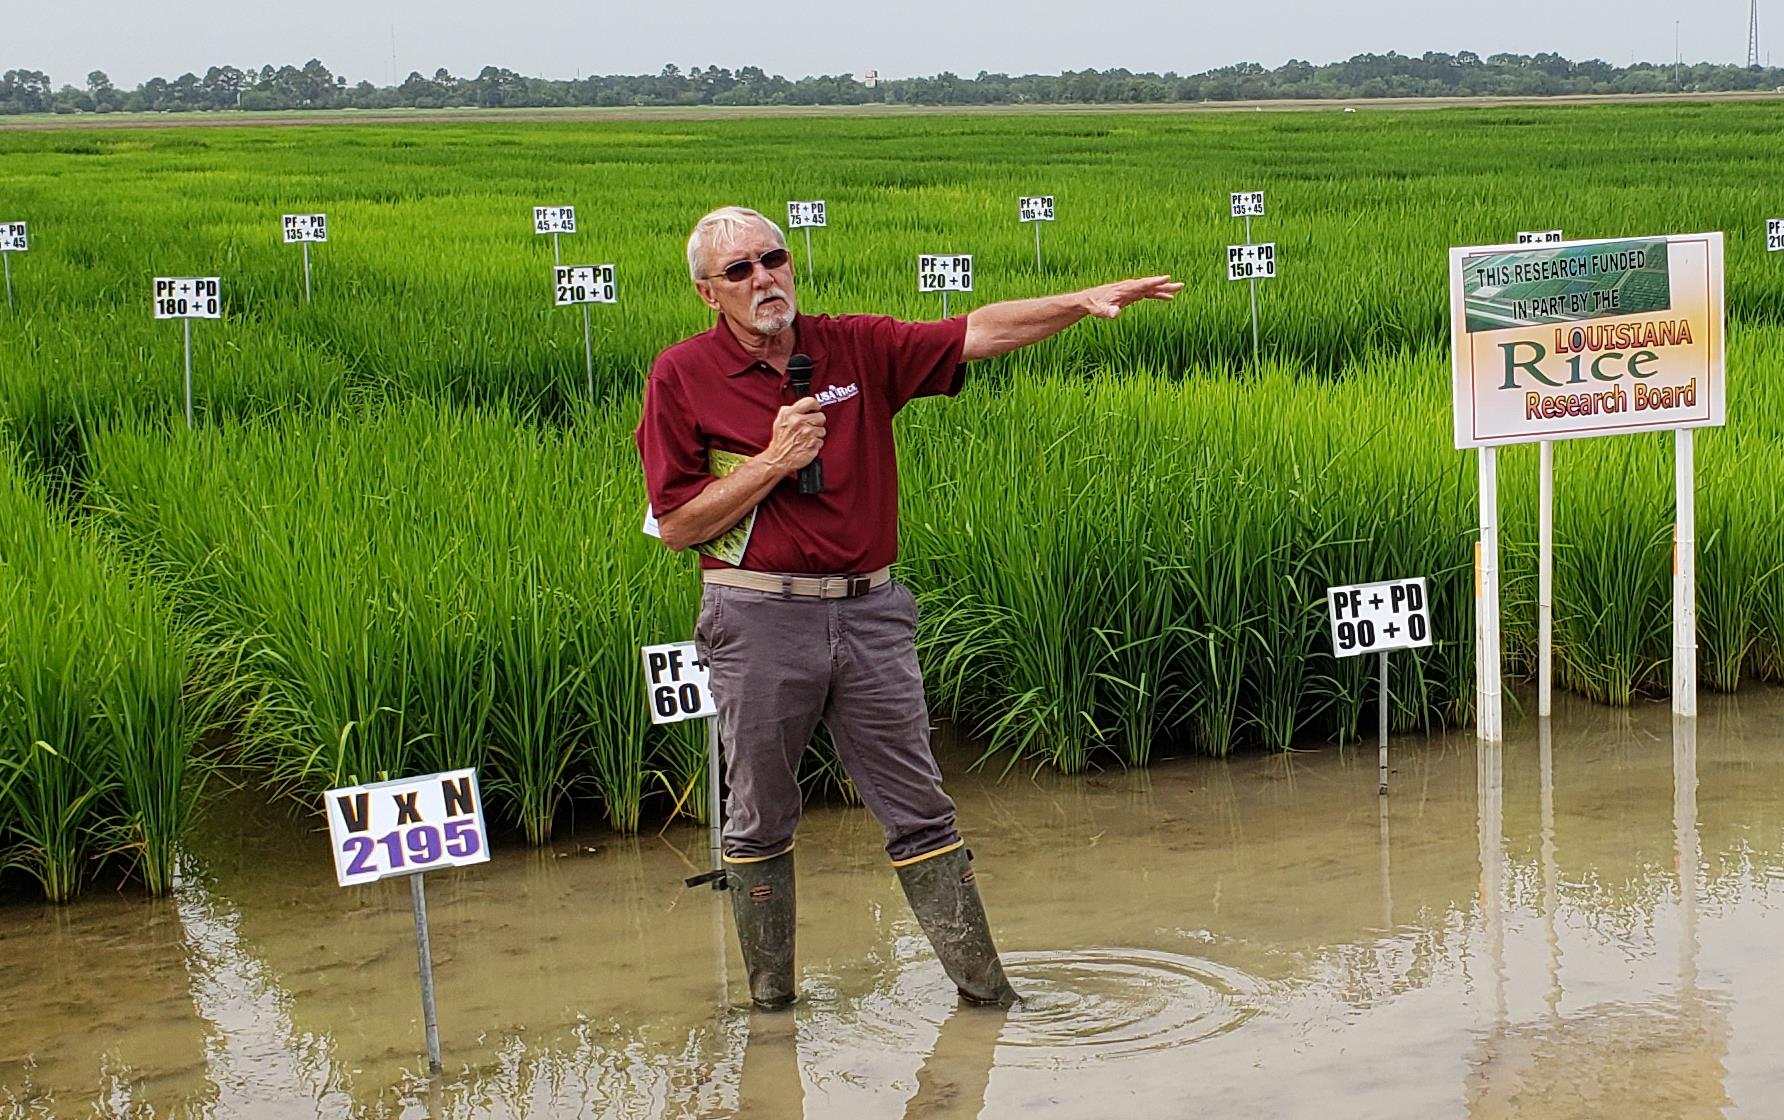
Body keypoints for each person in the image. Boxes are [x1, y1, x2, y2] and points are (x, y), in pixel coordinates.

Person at [636, 205, 1179, 1011]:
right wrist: (775, 462)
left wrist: (1080, 301)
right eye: (739, 271)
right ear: (706, 293)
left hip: (871, 612)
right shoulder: (681, 375)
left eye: (773, 258)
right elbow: (678, 524)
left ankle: (989, 998)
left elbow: (975, 332)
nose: (764, 279)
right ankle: (773, 1011)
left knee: (921, 807)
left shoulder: (853, 344)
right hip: (757, 618)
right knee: (758, 815)